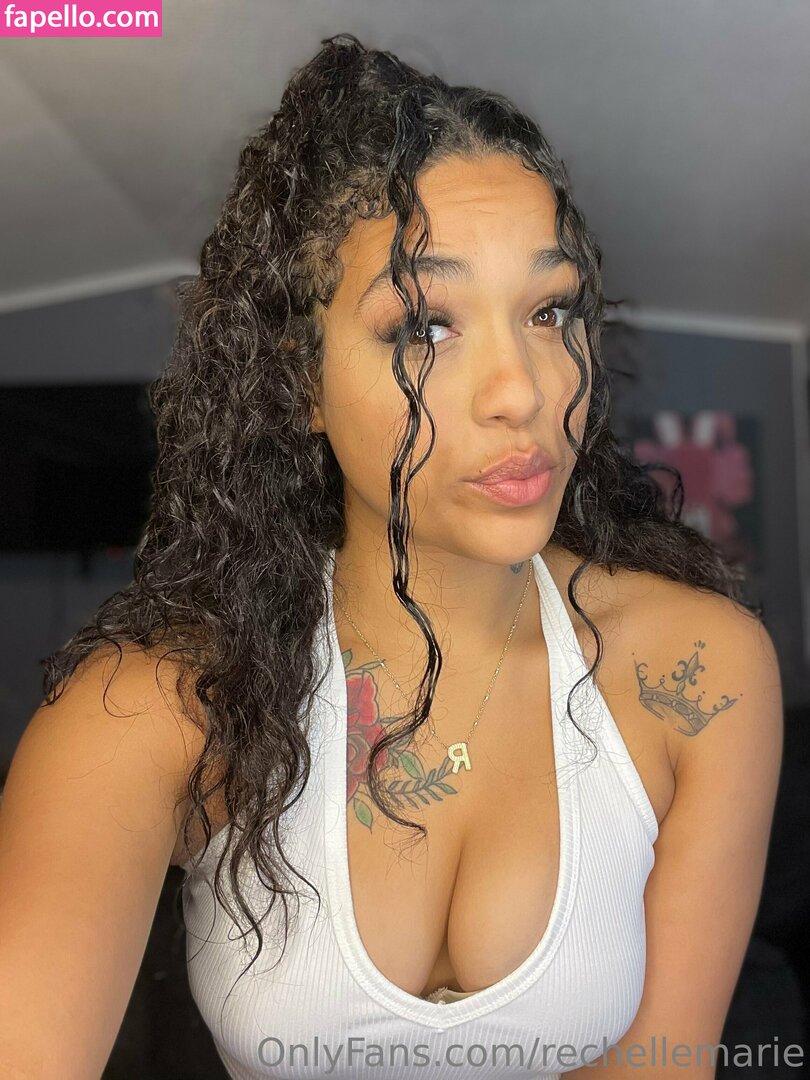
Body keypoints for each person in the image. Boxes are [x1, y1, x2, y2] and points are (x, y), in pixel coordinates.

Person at [0, 32, 783, 1080]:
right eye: (424, 327)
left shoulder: (700, 672)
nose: (524, 392)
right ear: (302, 385)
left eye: (550, 310)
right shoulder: (155, 710)